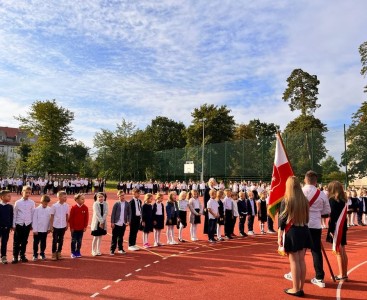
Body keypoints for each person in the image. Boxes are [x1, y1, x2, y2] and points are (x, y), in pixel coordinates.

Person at [284, 170, 331, 288]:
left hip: (301, 224)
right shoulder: (321, 194)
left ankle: (295, 274)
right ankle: (319, 277)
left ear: (305, 179)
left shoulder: (300, 192)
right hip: (315, 225)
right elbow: (327, 211)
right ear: (316, 181)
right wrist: (318, 213)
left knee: (299, 253)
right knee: (316, 251)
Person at [278, 176, 312, 297]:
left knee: (294, 261)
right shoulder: (304, 200)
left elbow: (282, 221)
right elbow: (307, 218)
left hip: (292, 231)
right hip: (304, 229)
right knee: (301, 260)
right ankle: (300, 288)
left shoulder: (286, 200)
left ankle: (295, 288)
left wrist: (279, 237)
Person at [326, 181, 348, 281]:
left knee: (339, 250)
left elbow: (333, 216)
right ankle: (344, 273)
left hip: (336, 227)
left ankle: (341, 274)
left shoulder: (332, 200)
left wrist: (331, 229)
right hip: (343, 226)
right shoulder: (343, 200)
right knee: (342, 249)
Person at [12, 186, 35, 263]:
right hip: (19, 224)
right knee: (17, 241)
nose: (28, 194)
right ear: (22, 192)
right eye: (26, 192)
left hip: (27, 224)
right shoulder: (18, 202)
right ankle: (15, 256)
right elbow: (15, 214)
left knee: (25, 241)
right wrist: (14, 224)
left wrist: (32, 224)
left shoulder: (32, 203)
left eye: (29, 192)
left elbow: (32, 214)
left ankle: (22, 255)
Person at [50, 191, 69, 261]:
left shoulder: (66, 205)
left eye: (66, 197)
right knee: (54, 240)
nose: (65, 198)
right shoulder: (54, 206)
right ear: (59, 197)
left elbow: (67, 215)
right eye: (64, 197)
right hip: (55, 226)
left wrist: (67, 224)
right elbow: (51, 216)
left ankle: (59, 252)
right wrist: (51, 226)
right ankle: (53, 253)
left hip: (63, 225)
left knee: (61, 240)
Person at [69, 193, 89, 258]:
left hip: (81, 228)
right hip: (74, 228)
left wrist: (85, 226)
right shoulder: (73, 208)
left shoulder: (85, 208)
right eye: (82, 199)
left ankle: (78, 251)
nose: (83, 200)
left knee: (79, 240)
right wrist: (71, 227)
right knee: (73, 240)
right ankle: (73, 252)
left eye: (84, 199)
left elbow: (86, 218)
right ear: (77, 200)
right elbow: (71, 219)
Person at [32, 194, 51, 261]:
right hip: (37, 230)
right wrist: (35, 229)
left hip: (45, 229)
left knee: (43, 242)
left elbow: (50, 220)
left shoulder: (49, 209)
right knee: (36, 243)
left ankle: (42, 253)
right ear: (41, 202)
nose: (46, 203)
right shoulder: (36, 210)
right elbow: (34, 220)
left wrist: (49, 228)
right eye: (44, 202)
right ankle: (35, 254)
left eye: (47, 202)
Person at [110, 190, 130, 255]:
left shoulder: (127, 204)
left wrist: (128, 221)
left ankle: (120, 249)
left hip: (123, 223)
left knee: (121, 237)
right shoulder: (116, 204)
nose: (123, 196)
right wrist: (112, 222)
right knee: (114, 237)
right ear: (118, 196)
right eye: (121, 195)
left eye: (123, 195)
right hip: (116, 223)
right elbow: (113, 214)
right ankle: (112, 250)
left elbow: (129, 213)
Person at [0, 190, 13, 264]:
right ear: (2, 197)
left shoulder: (10, 207)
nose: (10, 197)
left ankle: (3, 256)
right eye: (8, 196)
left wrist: (10, 226)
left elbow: (11, 217)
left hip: (6, 228)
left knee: (4, 242)